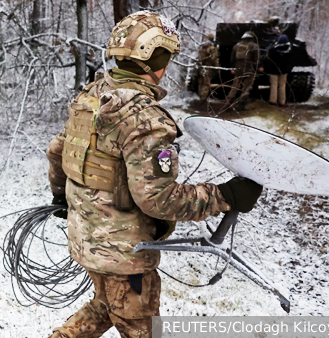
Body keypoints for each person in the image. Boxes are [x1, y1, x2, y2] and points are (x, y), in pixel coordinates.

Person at [46, 11, 262, 338]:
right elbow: (158, 199)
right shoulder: (144, 118)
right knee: (140, 326)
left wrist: (62, 198)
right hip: (125, 257)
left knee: (106, 304)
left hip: (87, 240)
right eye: (166, 58)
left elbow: (57, 151)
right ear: (153, 58)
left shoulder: (91, 95)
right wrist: (225, 196)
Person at [225, 31, 261, 106]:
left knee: (235, 87)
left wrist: (233, 68)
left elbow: (232, 59)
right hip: (249, 70)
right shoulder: (254, 46)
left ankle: (228, 102)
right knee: (246, 88)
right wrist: (256, 69)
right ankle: (242, 104)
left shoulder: (236, 46)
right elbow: (256, 60)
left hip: (238, 69)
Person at [263, 34, 294, 107]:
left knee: (274, 85)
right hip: (284, 71)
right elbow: (291, 61)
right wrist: (287, 69)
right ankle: (282, 102)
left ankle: (273, 101)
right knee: (282, 86)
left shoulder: (273, 50)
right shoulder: (289, 51)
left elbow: (267, 59)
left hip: (273, 71)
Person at [197, 33, 220, 101]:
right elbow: (214, 59)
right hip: (208, 67)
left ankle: (200, 96)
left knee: (201, 82)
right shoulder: (212, 48)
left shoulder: (202, 47)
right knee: (206, 84)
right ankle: (203, 99)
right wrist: (217, 68)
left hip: (200, 67)